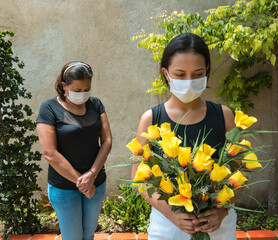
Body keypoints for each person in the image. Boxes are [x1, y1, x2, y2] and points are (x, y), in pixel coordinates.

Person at [131, 33, 238, 240]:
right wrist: (171, 214)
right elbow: (139, 179)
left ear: (207, 70)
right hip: (168, 226)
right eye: (180, 74)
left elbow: (240, 171)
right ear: (166, 73)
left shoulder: (224, 116)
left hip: (218, 227)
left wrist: (222, 211)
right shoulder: (151, 119)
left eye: (197, 74)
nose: (189, 81)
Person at [36, 61, 112, 240]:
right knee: (73, 237)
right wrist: (82, 181)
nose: (83, 94)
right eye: (77, 90)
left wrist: (92, 175)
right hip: (64, 187)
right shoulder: (49, 108)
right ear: (64, 86)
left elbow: (107, 141)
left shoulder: (96, 105)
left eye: (87, 89)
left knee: (88, 234)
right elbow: (49, 152)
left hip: (96, 183)